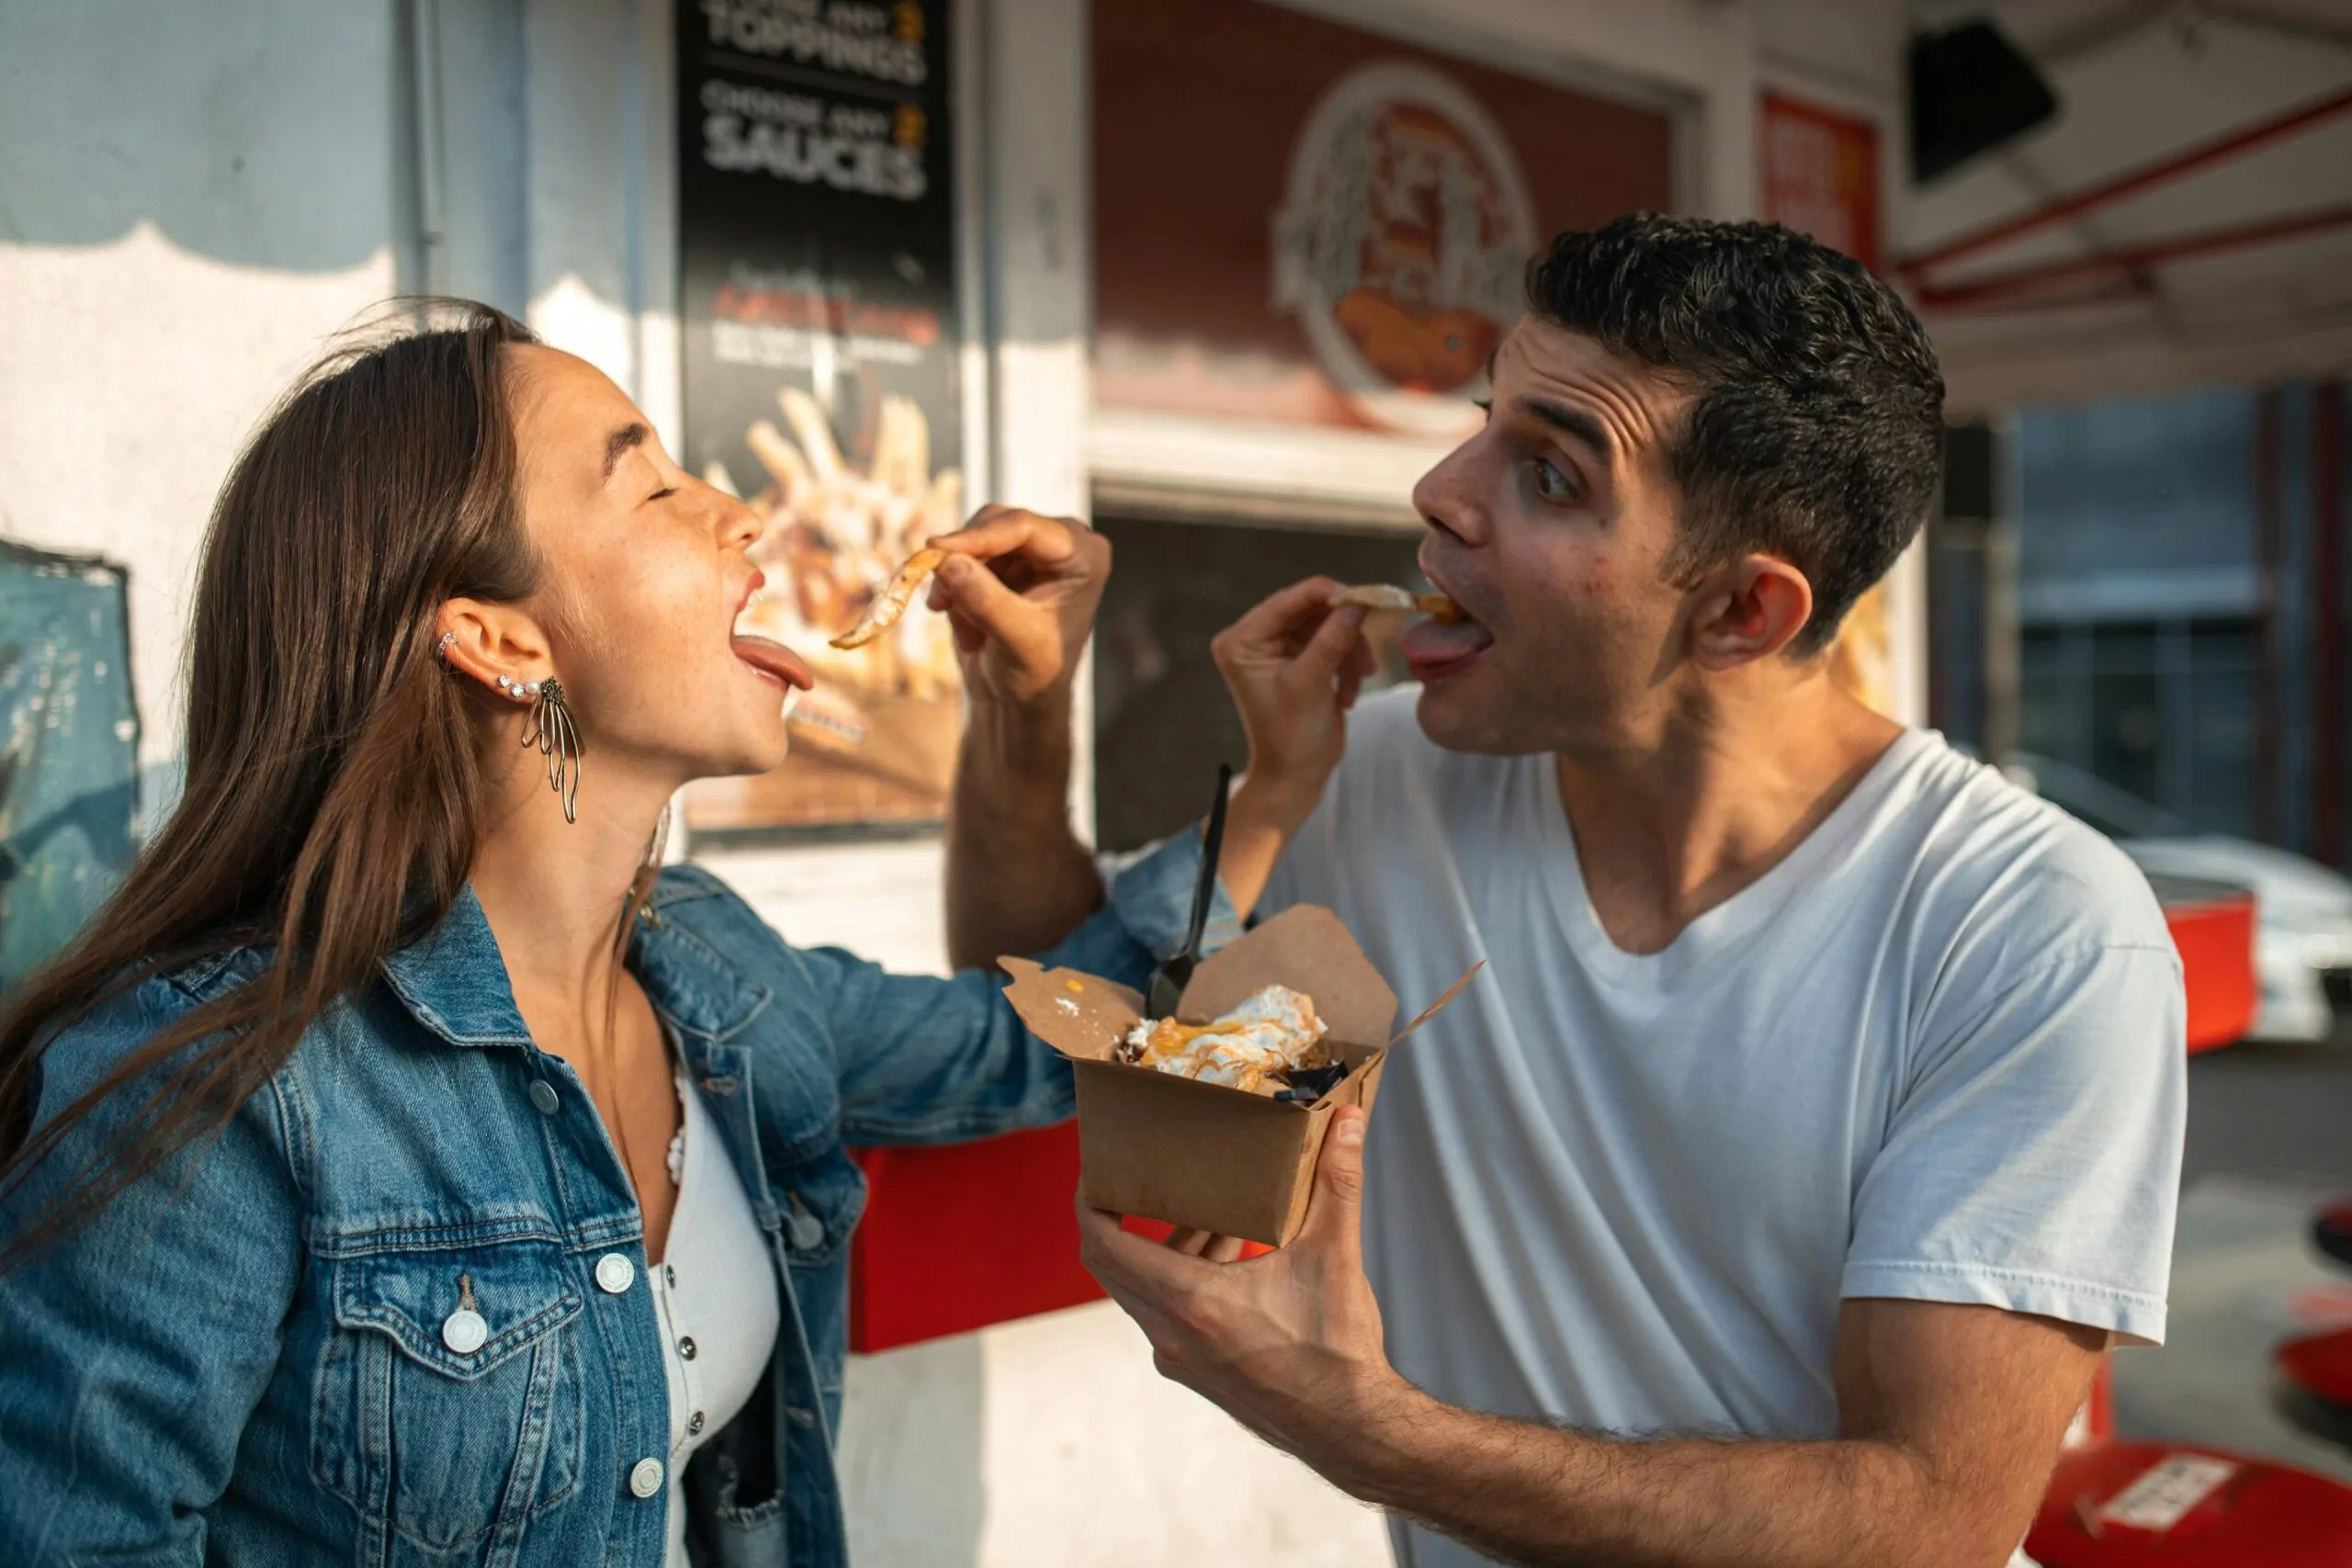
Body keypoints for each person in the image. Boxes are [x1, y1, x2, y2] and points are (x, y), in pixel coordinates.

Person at [955, 215, 2188, 1567]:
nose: (1440, 489)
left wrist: (1366, 1428)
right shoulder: (1368, 782)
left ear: (1740, 614)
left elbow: (1929, 1522)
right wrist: (1024, 712)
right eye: (1485, 422)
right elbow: (1036, 1027)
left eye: (1548, 474)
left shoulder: (2031, 929)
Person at [0, 302, 1292, 1568]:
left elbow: (1025, 1048)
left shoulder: (715, 973)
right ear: (499, 638)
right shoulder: (217, 1088)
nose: (743, 514)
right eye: (655, 486)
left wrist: (1264, 778)